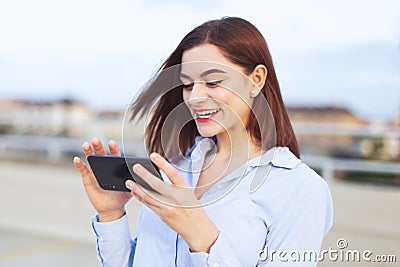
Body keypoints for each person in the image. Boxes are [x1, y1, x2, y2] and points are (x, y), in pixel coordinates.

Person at [74, 17, 333, 267]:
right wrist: (111, 215)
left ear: (256, 80)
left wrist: (200, 235)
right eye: (187, 85)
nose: (195, 97)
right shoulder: (176, 168)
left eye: (213, 82)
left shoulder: (300, 189)